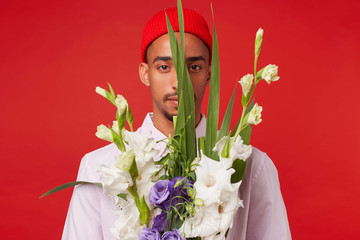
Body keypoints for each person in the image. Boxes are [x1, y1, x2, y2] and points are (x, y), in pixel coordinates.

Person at [62, 7, 291, 240]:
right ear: (145, 73)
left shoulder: (251, 167)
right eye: (164, 67)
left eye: (194, 67)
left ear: (209, 74)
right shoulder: (100, 169)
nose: (179, 82)